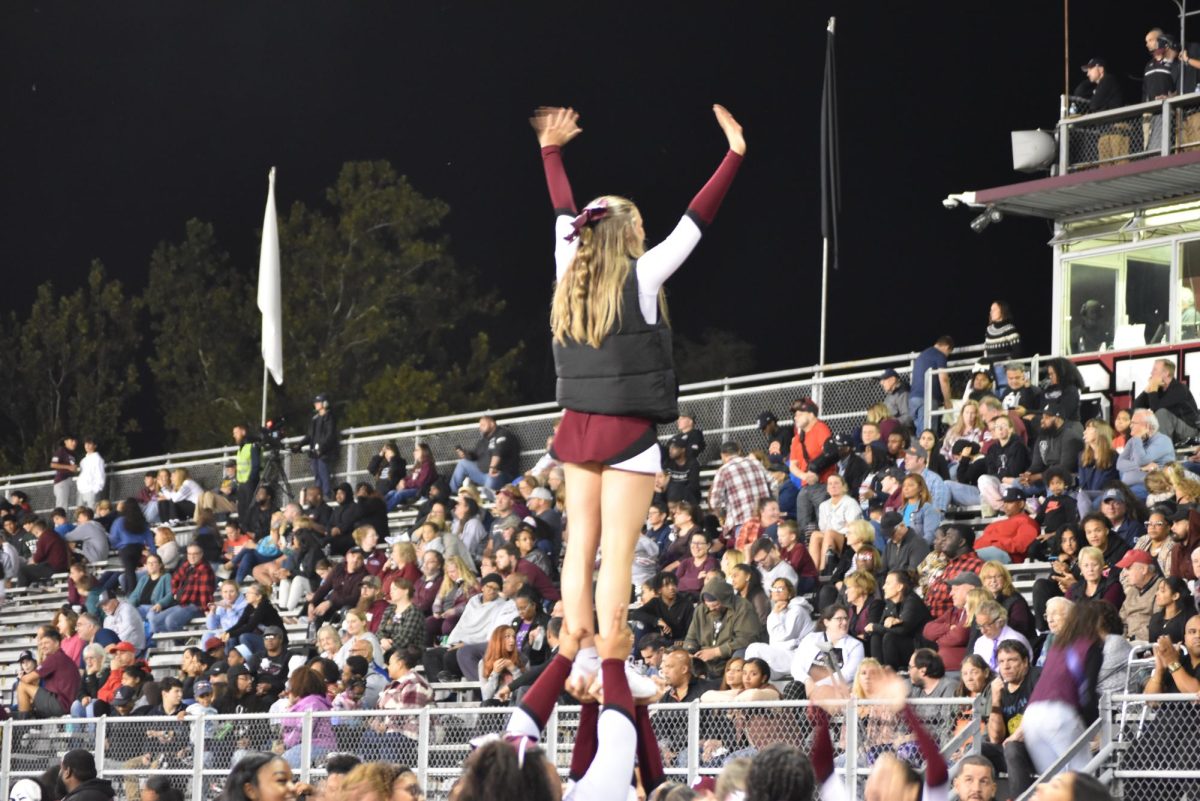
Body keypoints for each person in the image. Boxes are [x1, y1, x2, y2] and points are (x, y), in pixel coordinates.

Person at [532, 103, 745, 689]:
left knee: (580, 548)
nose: (646, 234)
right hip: (627, 433)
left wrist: (551, 150)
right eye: (640, 228)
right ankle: (610, 665)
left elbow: (560, 207)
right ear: (625, 233)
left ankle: (574, 655)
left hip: (575, 431)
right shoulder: (643, 275)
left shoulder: (565, 263)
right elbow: (696, 222)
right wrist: (734, 156)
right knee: (619, 556)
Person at [1017, 601, 1105, 781]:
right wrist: (1093, 727)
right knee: (1081, 781)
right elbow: (1087, 692)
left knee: (1054, 784)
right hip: (1059, 714)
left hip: (1032, 716)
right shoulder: (1090, 646)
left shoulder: (1057, 646)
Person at [683, 576, 762, 676]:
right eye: (708, 606)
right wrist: (689, 652)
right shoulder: (700, 610)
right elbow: (691, 637)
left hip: (729, 657)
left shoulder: (743, 608)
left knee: (741, 654)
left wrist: (717, 652)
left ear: (725, 601)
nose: (711, 609)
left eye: (715, 606)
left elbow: (746, 639)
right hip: (704, 661)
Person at [745, 577, 814, 678]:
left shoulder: (798, 610)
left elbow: (782, 636)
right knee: (758, 665)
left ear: (790, 593)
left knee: (754, 649)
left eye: (781, 589)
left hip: (796, 657)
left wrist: (774, 614)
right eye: (774, 589)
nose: (777, 591)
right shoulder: (779, 610)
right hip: (783, 655)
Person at [789, 398, 836, 533]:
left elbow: (830, 452)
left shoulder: (819, 427)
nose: (795, 417)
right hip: (806, 484)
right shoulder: (798, 438)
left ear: (811, 414)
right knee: (804, 527)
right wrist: (805, 475)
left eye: (799, 413)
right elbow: (792, 465)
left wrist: (814, 470)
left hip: (822, 482)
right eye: (795, 414)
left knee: (823, 524)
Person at [708, 441, 772, 541]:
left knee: (745, 554)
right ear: (739, 451)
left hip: (741, 522)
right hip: (764, 518)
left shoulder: (723, 470)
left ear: (722, 455)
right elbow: (774, 484)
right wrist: (772, 506)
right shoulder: (756, 463)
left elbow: (714, 502)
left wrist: (722, 515)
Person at [1133, 358, 1200, 444]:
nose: (1151, 373)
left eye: (1155, 370)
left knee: (1162, 413)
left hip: (1191, 430)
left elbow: (1157, 410)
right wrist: (1148, 388)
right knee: (1140, 418)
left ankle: (1162, 450)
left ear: (1166, 373)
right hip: (1173, 430)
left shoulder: (1179, 388)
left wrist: (1153, 387)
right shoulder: (1158, 390)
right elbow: (1136, 407)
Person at [449, 415, 521, 493]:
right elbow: (475, 456)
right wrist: (465, 454)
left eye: (483, 425)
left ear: (492, 424)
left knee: (491, 477)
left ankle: (488, 500)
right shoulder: (483, 441)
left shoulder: (503, 434)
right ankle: (451, 493)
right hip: (483, 474)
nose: (480, 428)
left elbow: (498, 452)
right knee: (463, 463)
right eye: (480, 426)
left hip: (502, 475)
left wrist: (493, 467)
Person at [1118, 408, 1176, 499]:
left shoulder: (1162, 440)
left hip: (1149, 487)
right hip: (1127, 487)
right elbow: (1119, 464)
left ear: (1147, 426)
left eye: (1134, 423)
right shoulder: (1133, 441)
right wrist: (1141, 468)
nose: (1130, 426)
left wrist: (1137, 437)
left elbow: (1142, 460)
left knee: (1118, 499)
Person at [975, 486, 1038, 563]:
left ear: (1021, 504)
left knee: (970, 560)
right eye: (1004, 502)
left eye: (1009, 502)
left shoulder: (1027, 521)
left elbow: (1021, 545)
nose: (1005, 505)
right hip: (982, 551)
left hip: (1006, 555)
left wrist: (995, 545)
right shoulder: (997, 523)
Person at [295, 393, 339, 497]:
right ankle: (318, 499)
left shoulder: (329, 418)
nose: (315, 404)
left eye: (318, 402)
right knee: (317, 479)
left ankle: (327, 498)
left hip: (324, 454)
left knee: (325, 478)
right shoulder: (315, 419)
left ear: (324, 403)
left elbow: (330, 436)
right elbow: (310, 435)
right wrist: (299, 445)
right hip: (315, 454)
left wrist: (322, 448)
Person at [909, 336, 954, 432]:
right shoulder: (940, 355)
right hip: (927, 399)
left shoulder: (922, 355)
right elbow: (944, 379)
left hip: (913, 399)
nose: (947, 356)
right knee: (928, 433)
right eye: (948, 353)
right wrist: (947, 401)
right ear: (947, 347)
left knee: (921, 434)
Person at [231, 423, 261, 522]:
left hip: (249, 484)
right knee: (242, 511)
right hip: (242, 484)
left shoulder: (251, 446)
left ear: (243, 432)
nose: (234, 435)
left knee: (250, 511)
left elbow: (256, 465)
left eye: (236, 432)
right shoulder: (241, 448)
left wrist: (250, 480)